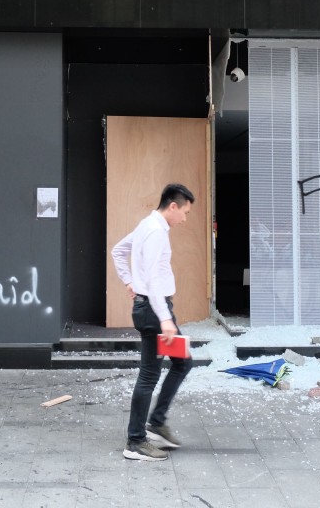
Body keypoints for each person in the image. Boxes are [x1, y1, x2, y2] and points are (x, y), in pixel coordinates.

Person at [111, 183, 196, 461]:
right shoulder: (156, 231)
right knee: (149, 375)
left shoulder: (146, 225)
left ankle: (156, 424)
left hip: (151, 308)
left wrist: (128, 281)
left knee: (182, 361)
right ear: (173, 206)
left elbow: (117, 251)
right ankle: (135, 441)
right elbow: (154, 279)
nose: (185, 218)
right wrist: (166, 318)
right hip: (154, 312)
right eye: (184, 212)